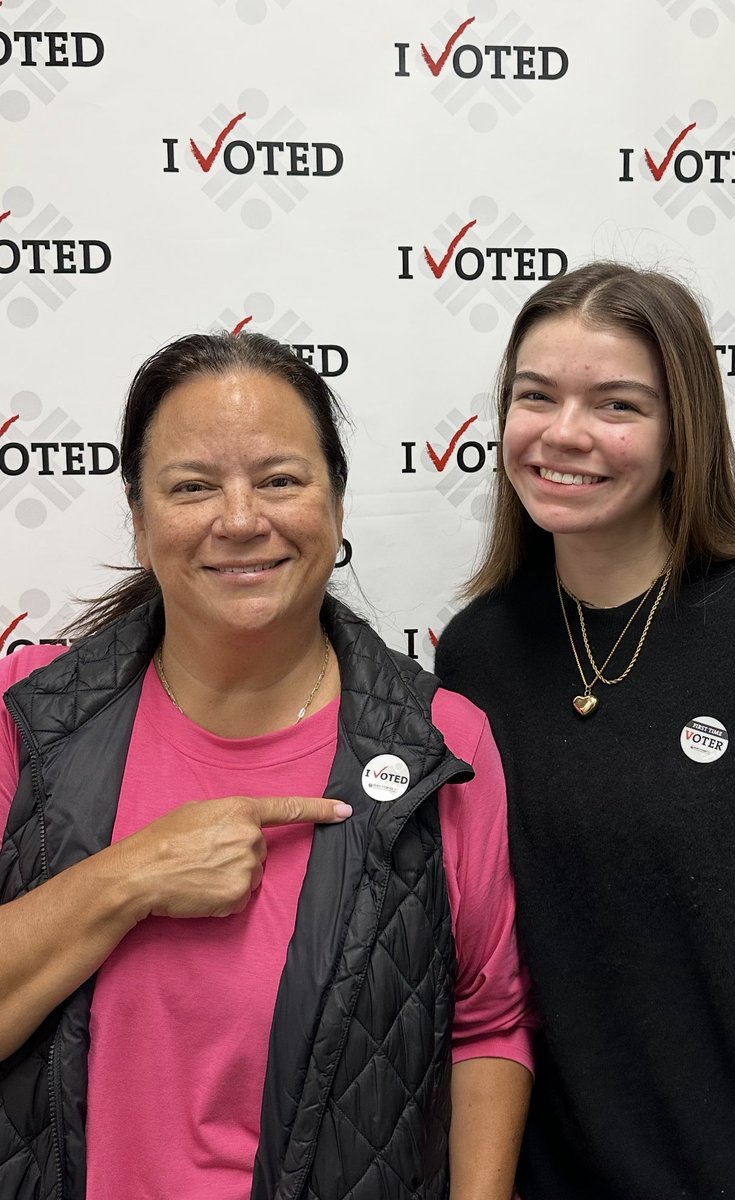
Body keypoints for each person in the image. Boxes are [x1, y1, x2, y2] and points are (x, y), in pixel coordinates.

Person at [0, 332, 536, 1200]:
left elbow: (485, 1024)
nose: (241, 519)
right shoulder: (26, 717)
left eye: (281, 480)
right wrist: (131, 876)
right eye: (192, 487)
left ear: (336, 506)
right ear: (139, 522)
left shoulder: (442, 745)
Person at [434, 261, 735, 1200]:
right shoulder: (477, 654)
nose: (564, 433)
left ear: (683, 437)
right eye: (534, 396)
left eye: (617, 405)